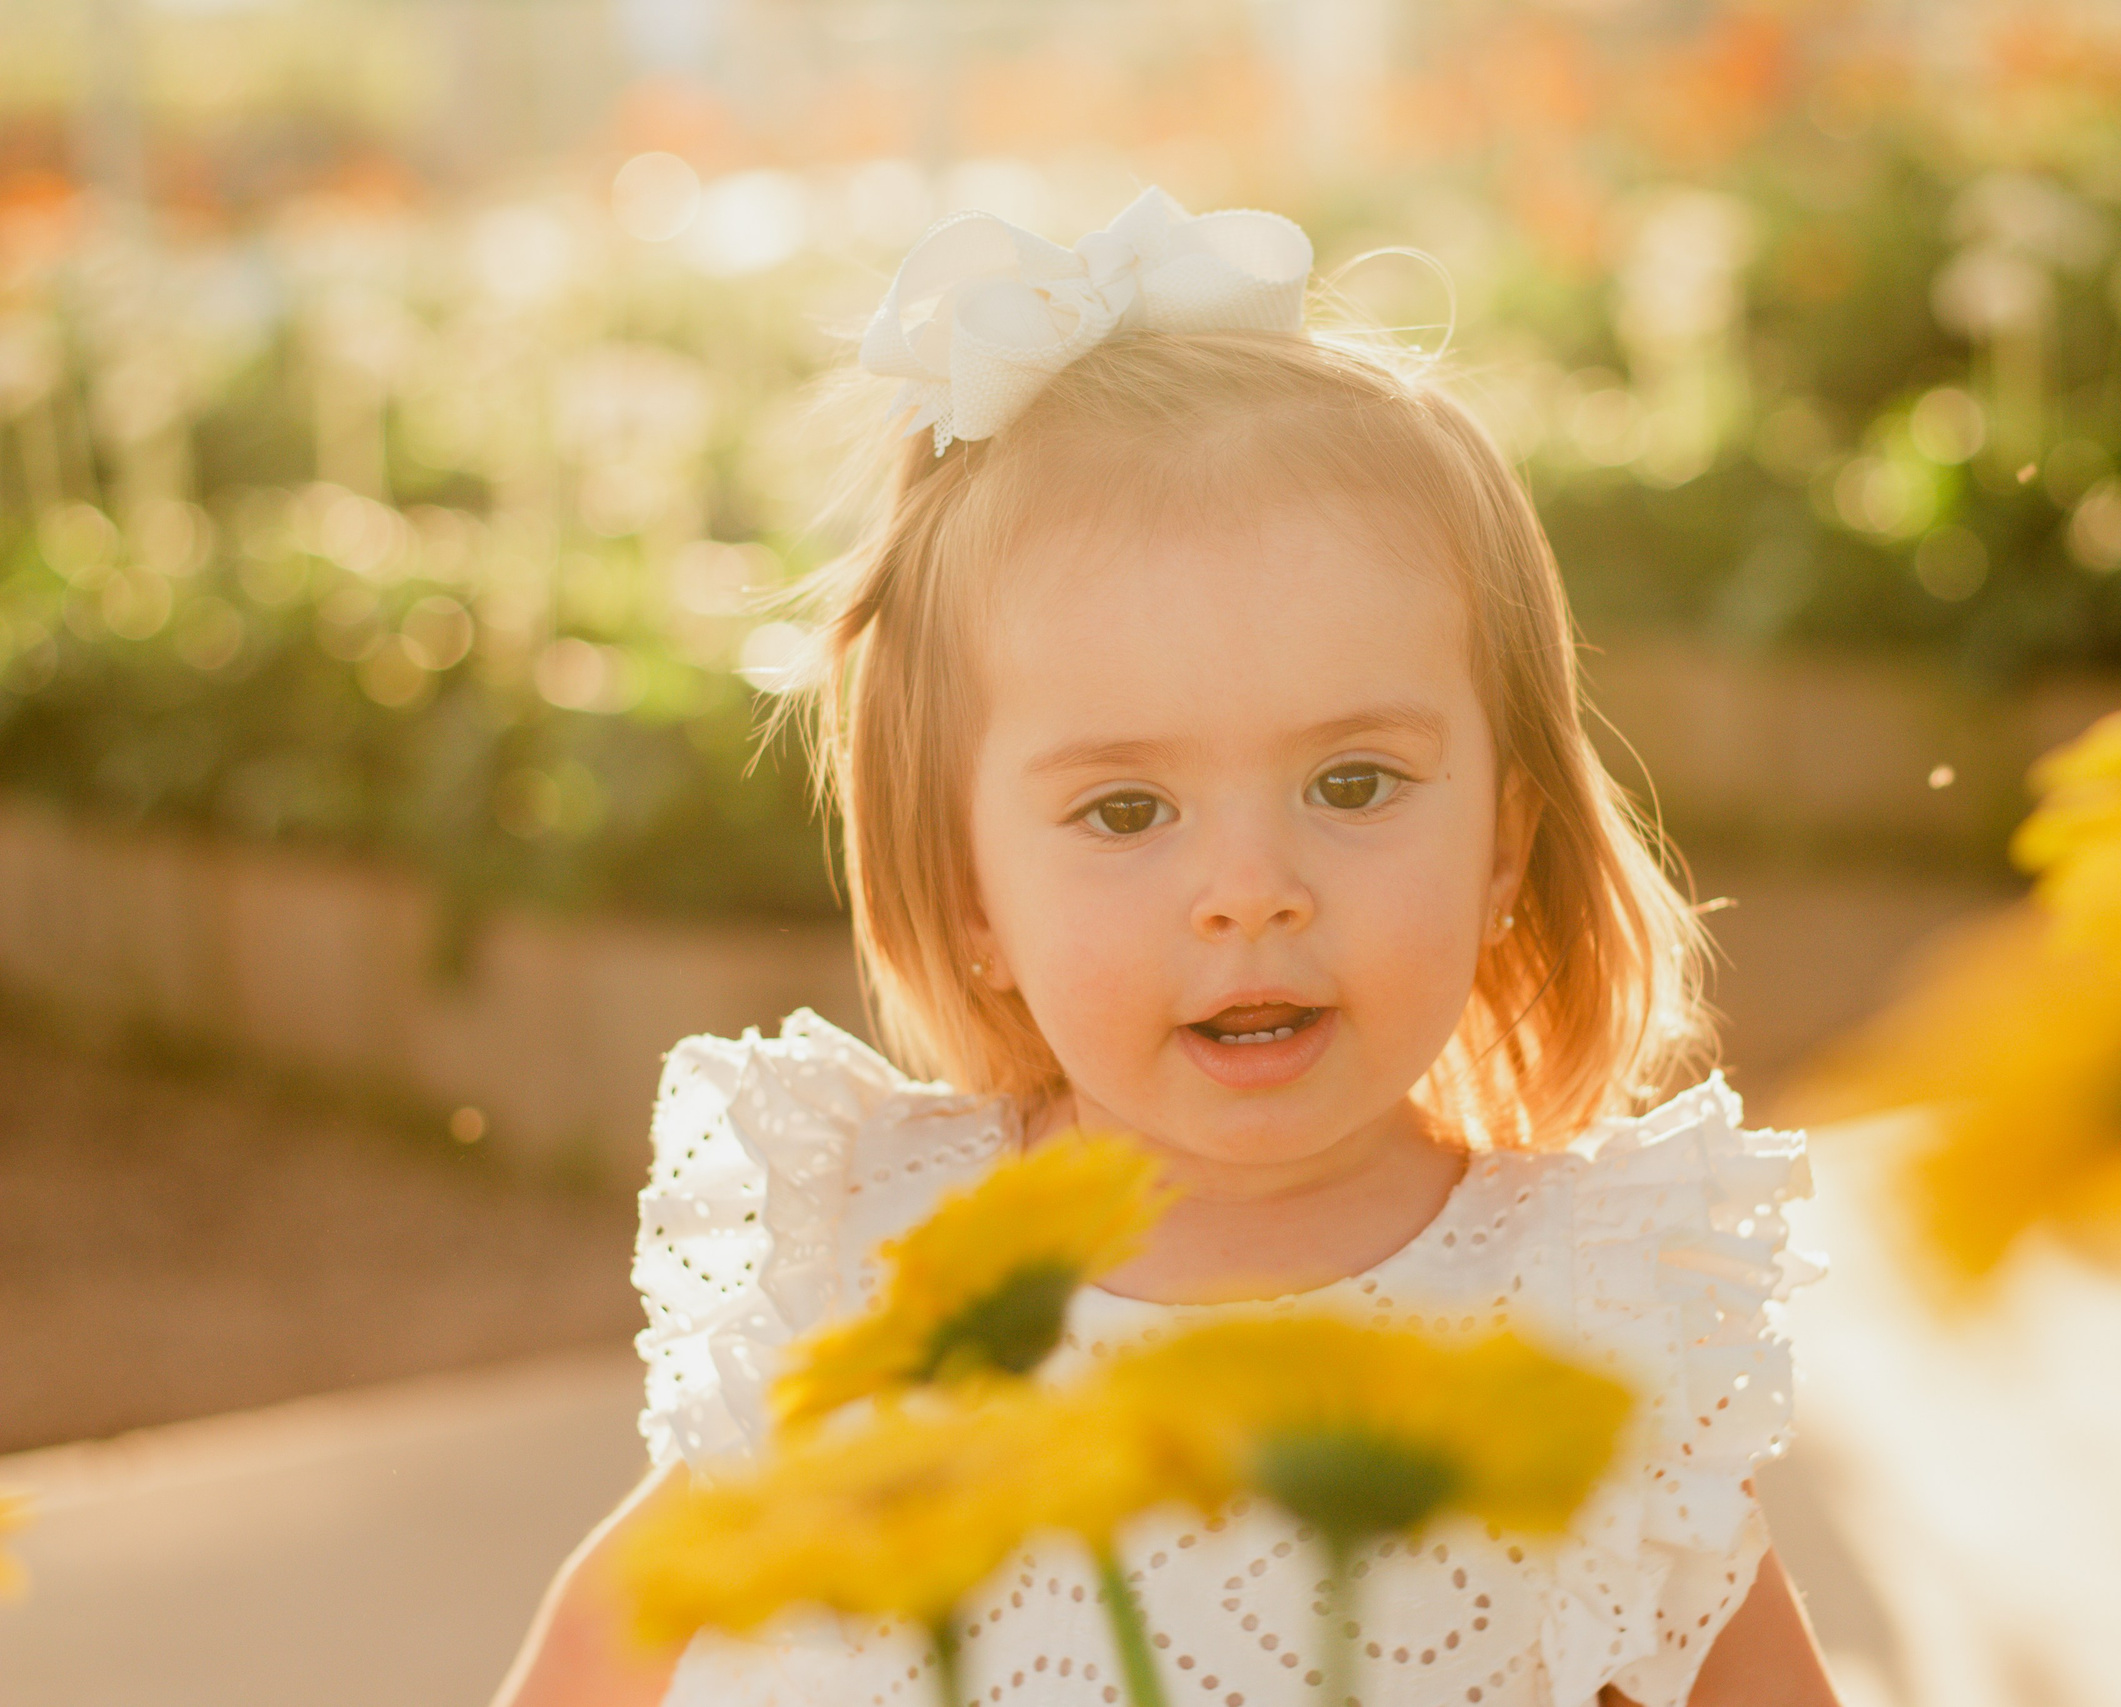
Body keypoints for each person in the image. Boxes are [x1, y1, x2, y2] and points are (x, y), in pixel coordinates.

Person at [494, 188, 1836, 1707]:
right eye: (1127, 810)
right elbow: (609, 1647)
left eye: (1352, 784)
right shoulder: (874, 1261)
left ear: (1505, 849)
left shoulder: (1592, 1316)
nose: (1250, 891)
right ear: (972, 893)